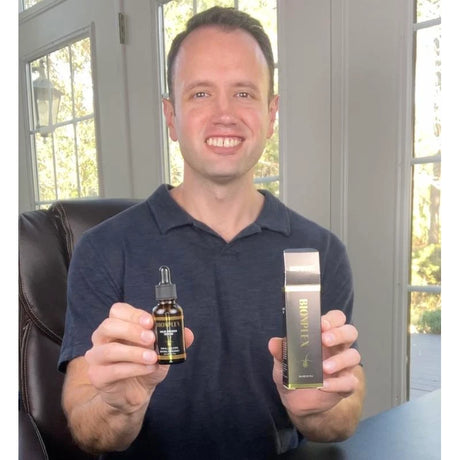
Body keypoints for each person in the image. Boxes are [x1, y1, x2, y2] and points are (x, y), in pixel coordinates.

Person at [59, 6, 365, 459]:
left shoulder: (321, 250)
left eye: (243, 93)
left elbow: (346, 410)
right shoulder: (103, 249)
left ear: (271, 112)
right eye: (201, 93)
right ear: (171, 116)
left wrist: (316, 411)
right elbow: (85, 421)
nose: (225, 114)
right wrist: (116, 408)